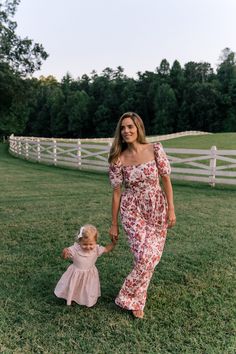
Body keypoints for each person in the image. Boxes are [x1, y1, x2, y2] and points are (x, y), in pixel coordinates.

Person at [108, 112, 176, 319]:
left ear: (139, 128)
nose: (126, 131)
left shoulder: (155, 149)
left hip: (156, 207)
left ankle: (135, 298)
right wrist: (114, 224)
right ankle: (131, 298)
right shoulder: (117, 158)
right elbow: (117, 192)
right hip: (132, 209)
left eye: (130, 126)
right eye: (122, 128)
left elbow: (166, 180)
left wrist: (171, 208)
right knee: (143, 257)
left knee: (151, 257)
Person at [54, 224, 116, 307]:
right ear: (79, 241)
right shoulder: (75, 249)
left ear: (95, 241)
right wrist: (64, 252)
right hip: (76, 272)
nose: (88, 247)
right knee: (75, 285)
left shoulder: (96, 249)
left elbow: (106, 249)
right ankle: (72, 297)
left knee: (88, 288)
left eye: (91, 244)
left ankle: (86, 300)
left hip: (90, 273)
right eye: (85, 244)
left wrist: (113, 243)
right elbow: (64, 257)